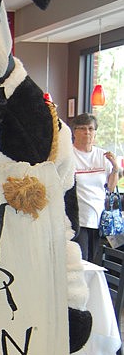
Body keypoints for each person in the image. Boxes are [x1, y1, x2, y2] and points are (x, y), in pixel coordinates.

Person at [71, 112, 119, 264]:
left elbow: (110, 188)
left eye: (91, 129)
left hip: (98, 218)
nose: (87, 132)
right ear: (74, 132)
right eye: (82, 128)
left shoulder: (103, 156)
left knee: (93, 262)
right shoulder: (68, 155)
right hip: (77, 218)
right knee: (81, 262)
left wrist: (115, 168)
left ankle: (92, 288)